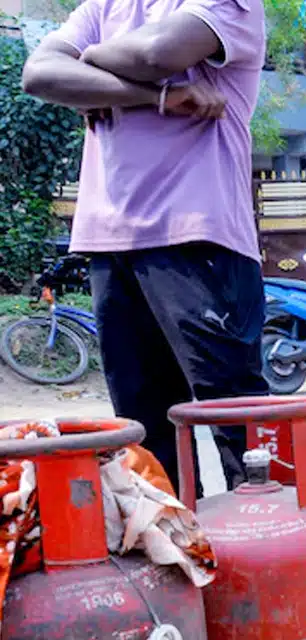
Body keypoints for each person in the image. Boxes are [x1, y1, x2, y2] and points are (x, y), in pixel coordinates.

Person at [21, 0, 266, 495]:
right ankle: (175, 542)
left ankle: (268, 540)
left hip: (197, 235)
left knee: (239, 423)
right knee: (145, 439)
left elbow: (158, 52)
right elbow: (39, 73)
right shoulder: (103, 7)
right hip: (109, 243)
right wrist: (157, 96)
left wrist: (88, 61)